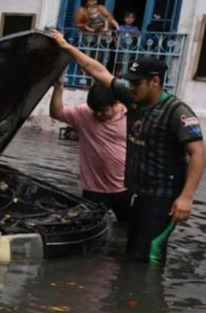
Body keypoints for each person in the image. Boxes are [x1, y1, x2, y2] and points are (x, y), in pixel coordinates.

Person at [52, 29, 206, 265]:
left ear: (155, 82)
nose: (130, 86)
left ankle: (148, 299)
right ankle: (128, 298)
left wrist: (186, 197)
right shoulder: (134, 100)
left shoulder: (177, 112)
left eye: (136, 82)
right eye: (130, 82)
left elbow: (198, 153)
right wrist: (67, 47)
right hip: (139, 192)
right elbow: (98, 71)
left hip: (163, 195)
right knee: (132, 250)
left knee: (149, 254)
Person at [50, 79, 130, 221]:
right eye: (95, 110)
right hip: (94, 190)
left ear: (116, 103)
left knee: (127, 228)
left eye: (103, 111)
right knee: (89, 225)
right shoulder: (85, 114)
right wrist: (59, 87)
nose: (98, 115)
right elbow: (57, 112)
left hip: (125, 188)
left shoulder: (130, 116)